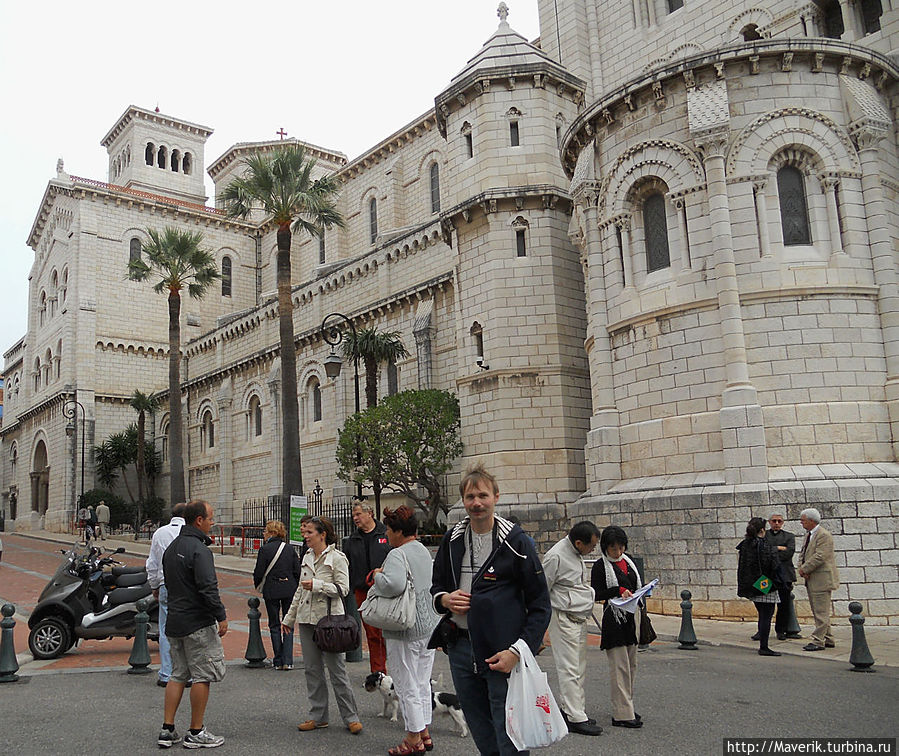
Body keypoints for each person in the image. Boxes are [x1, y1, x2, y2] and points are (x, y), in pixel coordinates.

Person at [430, 463, 551, 756]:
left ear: (496, 497)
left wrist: (517, 651)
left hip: (502, 652)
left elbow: (540, 605)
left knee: (509, 731)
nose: (477, 503)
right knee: (479, 726)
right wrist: (445, 600)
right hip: (460, 647)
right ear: (463, 500)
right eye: (470, 497)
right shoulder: (452, 540)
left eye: (483, 495)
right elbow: (436, 587)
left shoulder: (516, 542)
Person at [157, 500, 228, 749]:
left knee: (177, 674)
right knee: (202, 676)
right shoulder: (199, 550)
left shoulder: (172, 548)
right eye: (210, 518)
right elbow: (208, 587)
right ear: (199, 520)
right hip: (197, 621)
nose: (212, 522)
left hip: (175, 620)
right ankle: (196, 731)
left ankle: (167, 729)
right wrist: (220, 615)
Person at [370, 505, 440, 755]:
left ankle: (413, 738)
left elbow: (394, 584)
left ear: (398, 531)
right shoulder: (422, 550)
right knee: (422, 682)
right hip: (427, 626)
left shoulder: (397, 554)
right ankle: (424, 731)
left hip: (405, 627)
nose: (387, 534)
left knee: (404, 683)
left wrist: (378, 576)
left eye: (389, 529)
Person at [283, 516, 363, 735]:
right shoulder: (307, 556)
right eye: (304, 532)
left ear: (322, 534)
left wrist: (318, 585)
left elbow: (343, 589)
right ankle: (318, 716)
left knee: (337, 671)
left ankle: (351, 717)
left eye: (309, 532)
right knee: (312, 670)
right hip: (307, 620)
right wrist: (289, 618)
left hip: (330, 623)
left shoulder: (337, 558)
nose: (305, 536)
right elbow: (300, 591)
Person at [543, 521, 603, 736]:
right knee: (568, 668)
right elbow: (542, 589)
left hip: (577, 615)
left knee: (578, 667)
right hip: (563, 617)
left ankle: (574, 709)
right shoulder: (555, 557)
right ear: (578, 543)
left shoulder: (575, 554)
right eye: (591, 546)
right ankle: (575, 717)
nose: (593, 550)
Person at [590, 525, 646, 728]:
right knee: (619, 666)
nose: (618, 552)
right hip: (614, 619)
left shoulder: (628, 561)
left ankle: (627, 705)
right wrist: (617, 590)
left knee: (631, 665)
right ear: (606, 547)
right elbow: (596, 593)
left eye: (621, 547)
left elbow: (635, 584)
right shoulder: (600, 566)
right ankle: (621, 713)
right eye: (613, 548)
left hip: (631, 617)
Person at [342, 497, 390, 674]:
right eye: (353, 515)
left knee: (387, 632)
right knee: (372, 633)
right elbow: (347, 565)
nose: (355, 518)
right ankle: (378, 671)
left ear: (369, 513)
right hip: (363, 591)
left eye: (358, 514)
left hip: (385, 590)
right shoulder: (352, 540)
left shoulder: (385, 534)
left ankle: (394, 669)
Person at [147, 503, 187, 688]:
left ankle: (166, 673)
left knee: (164, 629)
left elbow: (152, 563)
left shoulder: (159, 533)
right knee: (187, 629)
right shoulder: (190, 533)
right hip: (186, 585)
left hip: (165, 583)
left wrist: (154, 585)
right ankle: (186, 674)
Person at [253, 520, 301, 670]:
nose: (264, 534)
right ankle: (288, 660)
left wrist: (259, 585)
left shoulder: (264, 550)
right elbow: (297, 571)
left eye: (266, 531)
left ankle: (278, 660)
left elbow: (259, 572)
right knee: (288, 623)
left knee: (274, 624)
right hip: (289, 589)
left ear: (272, 533)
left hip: (271, 590)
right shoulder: (289, 549)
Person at [736, 517, 782, 658]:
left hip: (751, 585)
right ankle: (764, 646)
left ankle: (763, 643)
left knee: (762, 614)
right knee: (766, 616)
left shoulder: (744, 545)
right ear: (762, 530)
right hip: (765, 583)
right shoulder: (764, 545)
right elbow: (773, 565)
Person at [797, 508, 840, 652]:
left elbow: (820, 556)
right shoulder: (809, 535)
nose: (801, 522)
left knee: (821, 611)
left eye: (803, 520)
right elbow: (803, 554)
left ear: (812, 520)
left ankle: (818, 640)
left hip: (821, 579)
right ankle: (828, 638)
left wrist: (805, 569)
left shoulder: (823, 535)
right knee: (818, 610)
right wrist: (801, 568)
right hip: (812, 578)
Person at [765, 511, 798, 640]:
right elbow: (763, 552)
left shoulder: (789, 536)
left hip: (785, 575)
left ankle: (781, 630)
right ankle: (762, 630)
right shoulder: (764, 536)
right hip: (767, 575)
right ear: (769, 522)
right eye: (774, 521)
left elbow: (788, 553)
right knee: (764, 604)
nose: (777, 523)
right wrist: (778, 548)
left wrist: (772, 551)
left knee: (784, 605)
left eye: (779, 521)